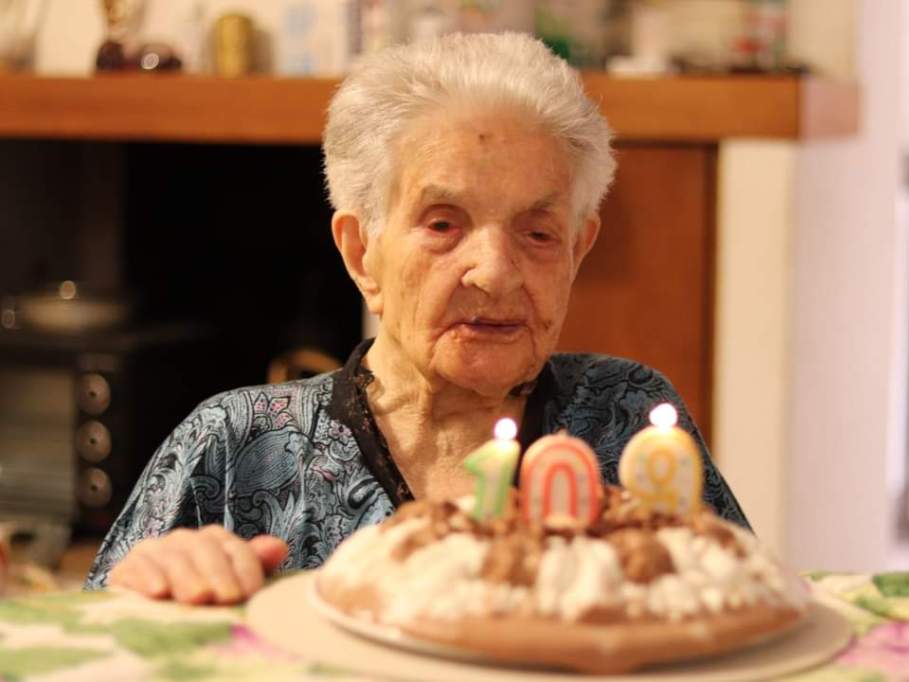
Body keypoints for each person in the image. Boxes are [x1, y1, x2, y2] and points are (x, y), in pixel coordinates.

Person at [85, 32, 748, 604]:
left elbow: (745, 624)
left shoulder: (627, 418)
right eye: (442, 224)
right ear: (361, 252)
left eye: (539, 234)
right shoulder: (237, 445)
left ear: (579, 250)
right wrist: (146, 601)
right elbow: (93, 653)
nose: (494, 271)